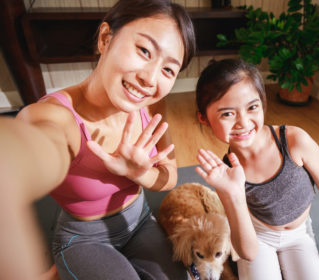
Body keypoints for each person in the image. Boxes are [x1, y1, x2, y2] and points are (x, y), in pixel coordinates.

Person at [0, 0, 196, 279]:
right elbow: (33, 149)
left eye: (168, 70)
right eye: (143, 50)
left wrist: (141, 174)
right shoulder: (55, 118)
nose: (150, 78)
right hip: (84, 239)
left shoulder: (151, 104)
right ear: (106, 38)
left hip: (140, 222)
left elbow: (171, 176)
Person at [194, 58, 319, 279]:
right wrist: (234, 194)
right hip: (259, 236)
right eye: (227, 113)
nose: (243, 122)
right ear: (204, 118)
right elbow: (248, 251)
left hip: (300, 233)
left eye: (252, 107)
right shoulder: (226, 174)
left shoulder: (294, 140)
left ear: (262, 103)